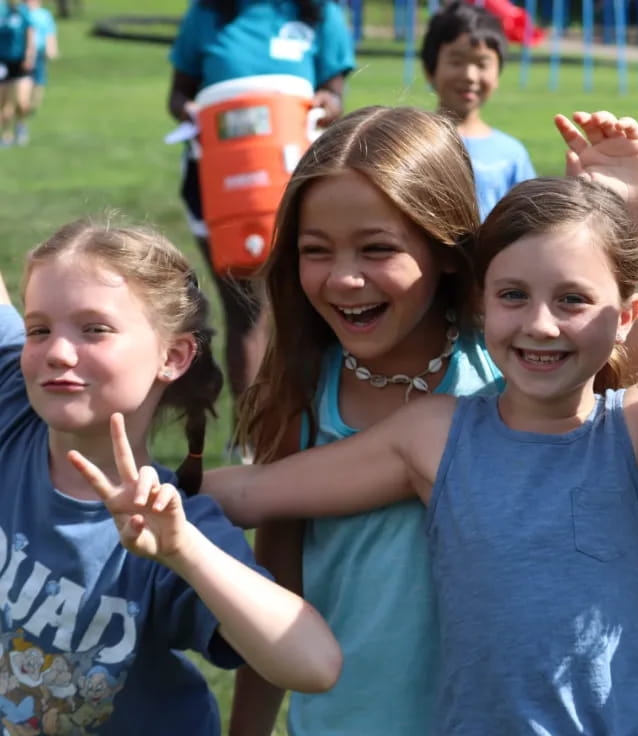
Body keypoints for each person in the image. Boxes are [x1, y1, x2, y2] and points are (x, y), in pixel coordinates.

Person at [196, 168, 638, 733]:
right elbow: (255, 490)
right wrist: (126, 490)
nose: (540, 324)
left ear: (625, 317)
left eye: (572, 300)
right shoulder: (435, 437)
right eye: (513, 296)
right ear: (482, 304)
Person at [0, 219, 341, 734]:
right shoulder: (13, 400)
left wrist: (184, 551)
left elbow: (314, 665)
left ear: (173, 356)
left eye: (95, 329)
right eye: (39, 328)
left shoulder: (168, 521)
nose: (57, 352)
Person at [225, 105, 503, 736]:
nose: (345, 279)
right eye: (315, 251)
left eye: (378, 249)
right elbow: (278, 595)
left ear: (450, 250)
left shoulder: (513, 373)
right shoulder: (302, 388)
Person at [168, 0, 355, 453]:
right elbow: (177, 96)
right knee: (246, 309)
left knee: (302, 306)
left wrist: (327, 102)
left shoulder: (319, 13)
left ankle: (306, 424)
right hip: (221, 184)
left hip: (294, 179)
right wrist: (195, 112)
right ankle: (252, 435)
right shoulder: (209, 13)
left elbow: (333, 92)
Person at [421, 0, 535, 220]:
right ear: (430, 69)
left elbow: (527, 225)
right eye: (456, 62)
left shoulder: (511, 155)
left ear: (498, 73)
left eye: (482, 64)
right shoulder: (412, 144)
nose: (469, 76)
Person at [0, 0, 34, 146]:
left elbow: (30, 34)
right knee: (3, 104)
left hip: (20, 62)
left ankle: (21, 124)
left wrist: (29, 56)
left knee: (22, 102)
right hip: (2, 62)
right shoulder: (1, 10)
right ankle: (6, 135)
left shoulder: (23, 12)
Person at [24, 0, 57, 129]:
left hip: (39, 52)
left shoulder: (44, 14)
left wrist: (52, 48)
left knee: (38, 81)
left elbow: (50, 32)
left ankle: (32, 107)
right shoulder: (21, 12)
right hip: (23, 52)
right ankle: (23, 104)